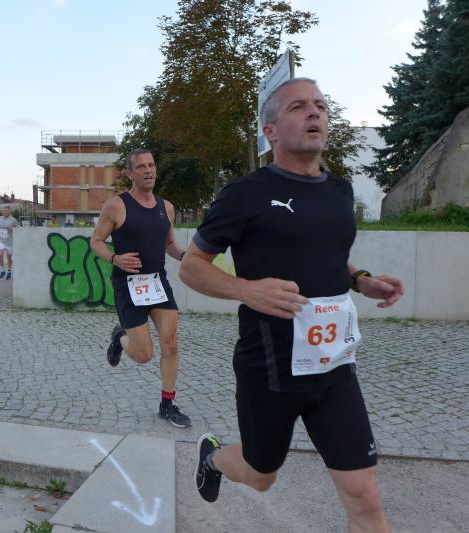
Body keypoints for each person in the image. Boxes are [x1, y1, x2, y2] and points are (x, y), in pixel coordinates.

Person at [179, 78, 404, 532]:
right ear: (270, 131)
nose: (315, 112)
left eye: (320, 105)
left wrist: (361, 281)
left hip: (334, 364)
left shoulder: (340, 191)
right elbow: (191, 267)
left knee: (365, 496)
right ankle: (214, 458)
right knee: (261, 475)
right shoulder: (245, 193)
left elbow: (328, 257)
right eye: (298, 106)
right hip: (270, 367)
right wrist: (247, 290)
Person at [90, 148, 191, 428]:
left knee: (171, 343)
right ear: (130, 173)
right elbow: (96, 241)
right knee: (144, 354)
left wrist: (185, 256)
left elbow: (169, 244)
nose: (148, 171)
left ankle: (167, 404)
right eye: (141, 167)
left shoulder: (166, 207)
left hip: (157, 283)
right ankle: (120, 337)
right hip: (128, 285)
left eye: (151, 165)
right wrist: (115, 258)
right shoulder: (117, 205)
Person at [0, 206, 20, 280]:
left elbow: (19, 229)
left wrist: (13, 228)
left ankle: (9, 271)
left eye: (6, 211)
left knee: (9, 257)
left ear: (10, 212)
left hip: (10, 241)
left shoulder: (13, 220)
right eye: (4, 210)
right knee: (0, 254)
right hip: (1, 240)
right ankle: (2, 270)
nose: (5, 212)